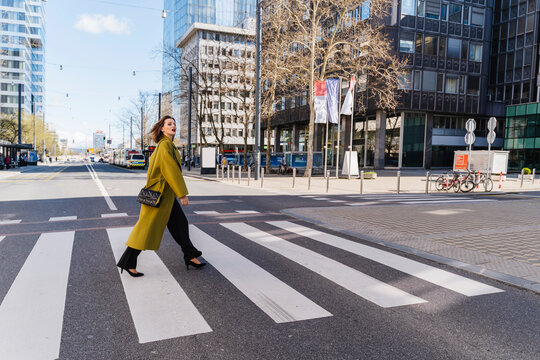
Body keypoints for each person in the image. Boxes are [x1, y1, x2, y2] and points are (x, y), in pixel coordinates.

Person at [116, 115, 205, 277]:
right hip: (160, 196)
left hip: (166, 195)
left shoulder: (167, 145)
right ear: (162, 128)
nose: (173, 126)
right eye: (169, 124)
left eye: (174, 124)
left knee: (180, 225)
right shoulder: (164, 146)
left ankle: (190, 255)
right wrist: (182, 194)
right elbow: (170, 171)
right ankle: (128, 262)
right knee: (146, 229)